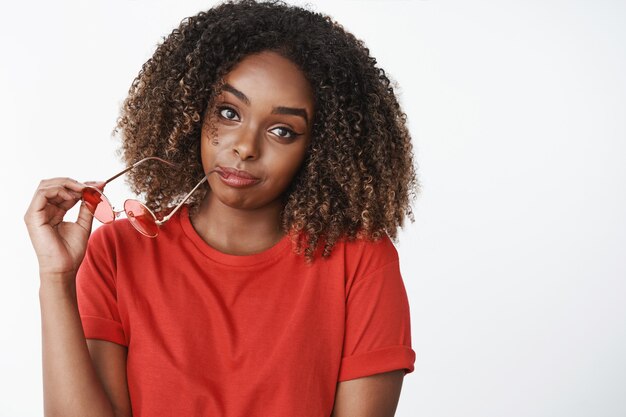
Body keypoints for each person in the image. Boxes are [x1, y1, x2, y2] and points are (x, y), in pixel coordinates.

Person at [24, 0, 419, 416]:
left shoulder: (359, 263)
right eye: (228, 112)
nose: (245, 147)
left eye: (283, 130)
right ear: (192, 112)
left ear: (320, 148)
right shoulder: (118, 252)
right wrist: (56, 279)